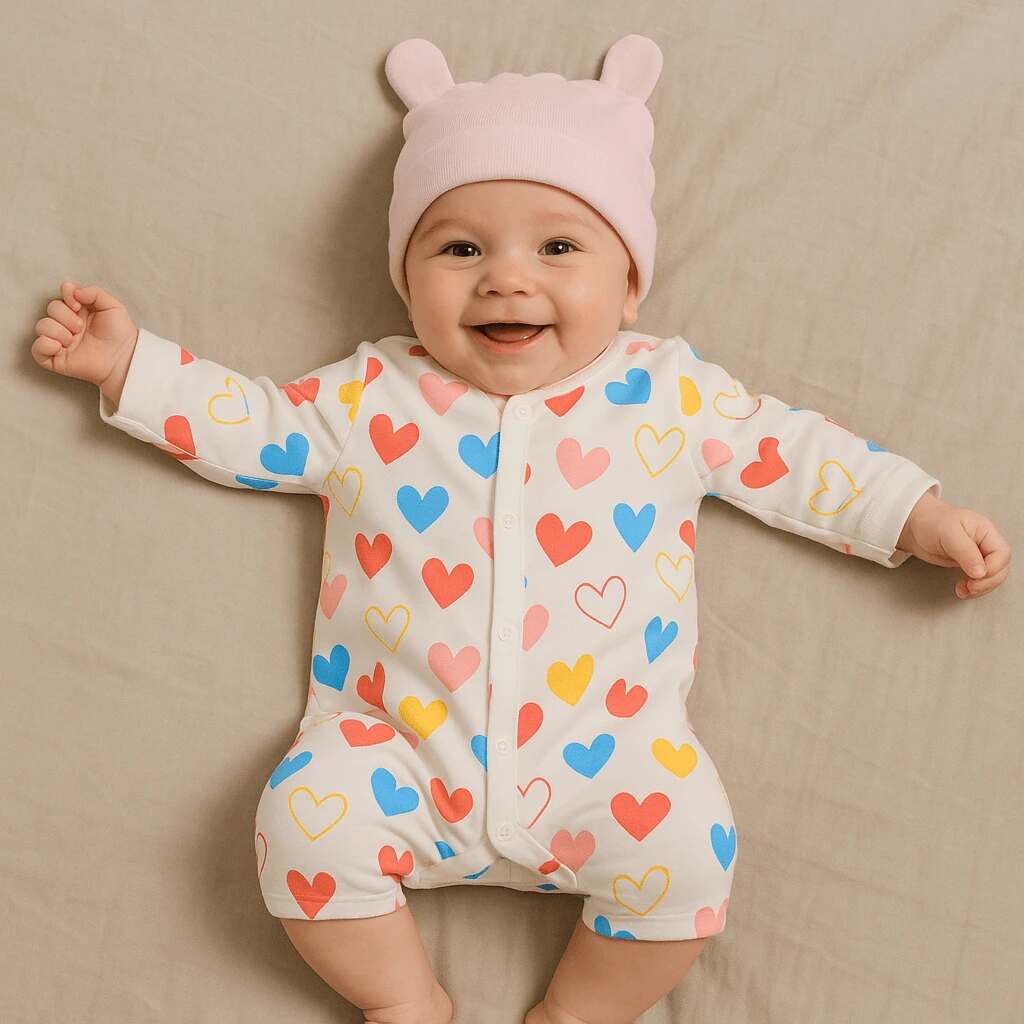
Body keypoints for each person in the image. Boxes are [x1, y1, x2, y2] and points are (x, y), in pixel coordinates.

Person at [31, 34, 1011, 1024]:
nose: (506, 278)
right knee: (300, 827)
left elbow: (795, 456)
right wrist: (133, 369)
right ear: (406, 277)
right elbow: (255, 423)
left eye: (558, 247)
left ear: (628, 284)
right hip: (395, 753)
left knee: (687, 854)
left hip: (612, 762)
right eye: (458, 246)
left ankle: (576, 1011)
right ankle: (403, 999)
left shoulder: (665, 393)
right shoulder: (373, 393)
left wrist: (912, 513)